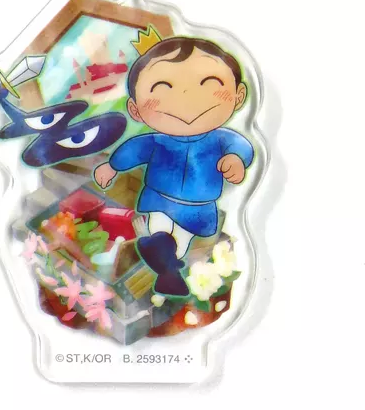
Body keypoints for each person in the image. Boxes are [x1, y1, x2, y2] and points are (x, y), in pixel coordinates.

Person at [94, 32, 254, 296]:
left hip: (196, 209)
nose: (186, 99)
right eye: (162, 88)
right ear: (135, 110)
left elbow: (241, 145)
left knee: (178, 242)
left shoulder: (221, 139)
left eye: (208, 84)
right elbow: (134, 149)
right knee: (158, 231)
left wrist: (236, 160)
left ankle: (166, 264)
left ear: (238, 96)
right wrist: (112, 166)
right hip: (159, 201)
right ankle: (161, 258)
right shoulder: (156, 140)